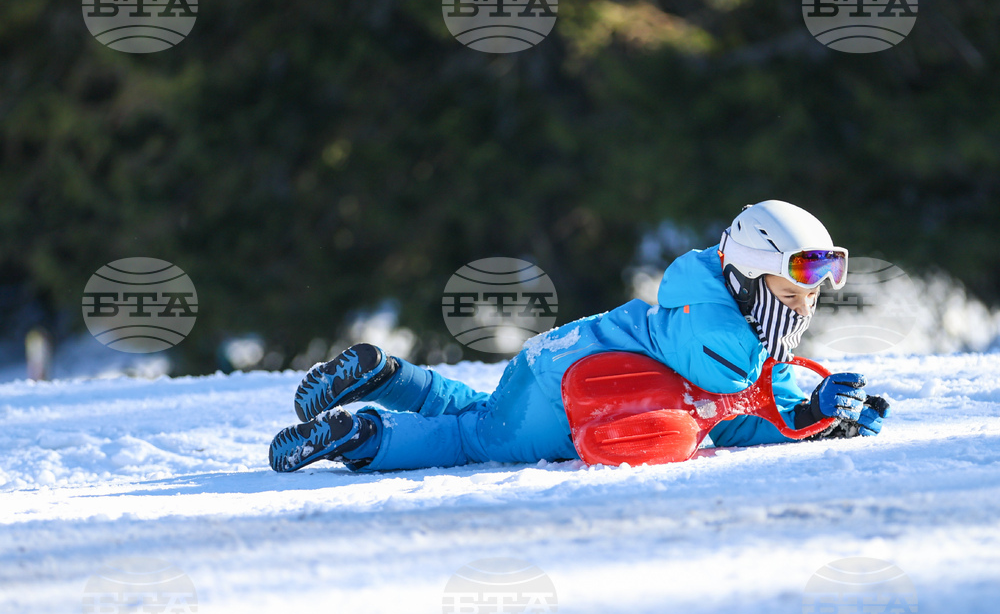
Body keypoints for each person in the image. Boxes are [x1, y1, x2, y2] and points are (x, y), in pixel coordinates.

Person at [268, 200, 890, 473]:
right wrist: (807, 413)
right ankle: (366, 435)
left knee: (479, 416)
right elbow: (735, 407)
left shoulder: (711, 307)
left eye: (813, 292)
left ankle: (386, 374)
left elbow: (754, 402)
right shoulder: (724, 342)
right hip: (582, 392)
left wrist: (818, 412)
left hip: (561, 363)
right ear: (750, 277)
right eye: (791, 290)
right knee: (471, 440)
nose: (804, 307)